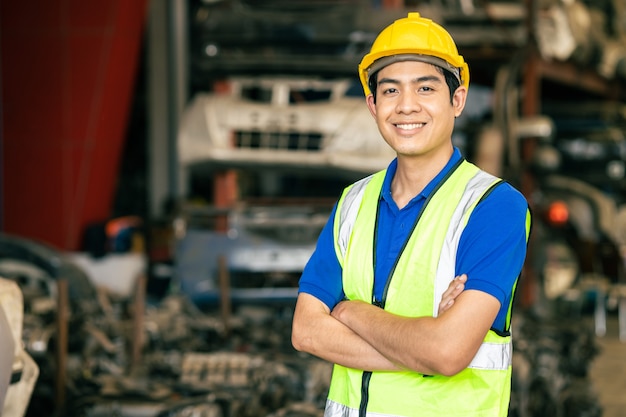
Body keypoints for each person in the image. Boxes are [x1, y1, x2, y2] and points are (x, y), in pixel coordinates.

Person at [291, 11, 531, 417]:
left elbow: (447, 352)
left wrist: (351, 312)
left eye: (425, 88)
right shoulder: (354, 201)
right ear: (372, 104)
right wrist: (421, 346)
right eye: (390, 91)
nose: (406, 106)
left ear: (457, 99)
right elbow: (306, 332)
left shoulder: (494, 206)